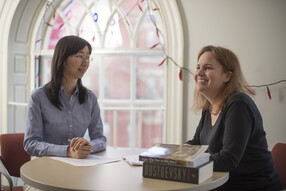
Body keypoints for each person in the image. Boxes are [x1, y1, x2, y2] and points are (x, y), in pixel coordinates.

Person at [186, 45, 282, 191]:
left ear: (227, 76)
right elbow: (197, 143)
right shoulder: (209, 107)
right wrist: (172, 153)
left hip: (254, 187)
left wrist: (185, 160)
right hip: (222, 184)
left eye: (208, 68)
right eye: (198, 67)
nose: (199, 72)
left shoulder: (238, 104)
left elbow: (228, 160)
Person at [24, 35, 106, 159]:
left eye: (88, 57)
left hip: (79, 166)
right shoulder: (38, 97)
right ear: (62, 59)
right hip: (47, 166)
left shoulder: (90, 98)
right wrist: (67, 151)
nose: (85, 63)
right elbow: (31, 143)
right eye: (80, 56)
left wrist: (87, 147)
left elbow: (100, 139)